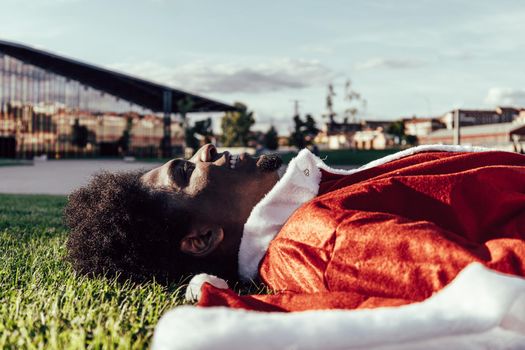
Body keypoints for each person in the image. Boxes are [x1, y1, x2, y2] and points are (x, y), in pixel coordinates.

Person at [65, 143, 525, 311]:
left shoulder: (312, 209)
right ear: (202, 239)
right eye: (185, 173)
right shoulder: (318, 241)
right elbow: (491, 280)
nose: (205, 149)